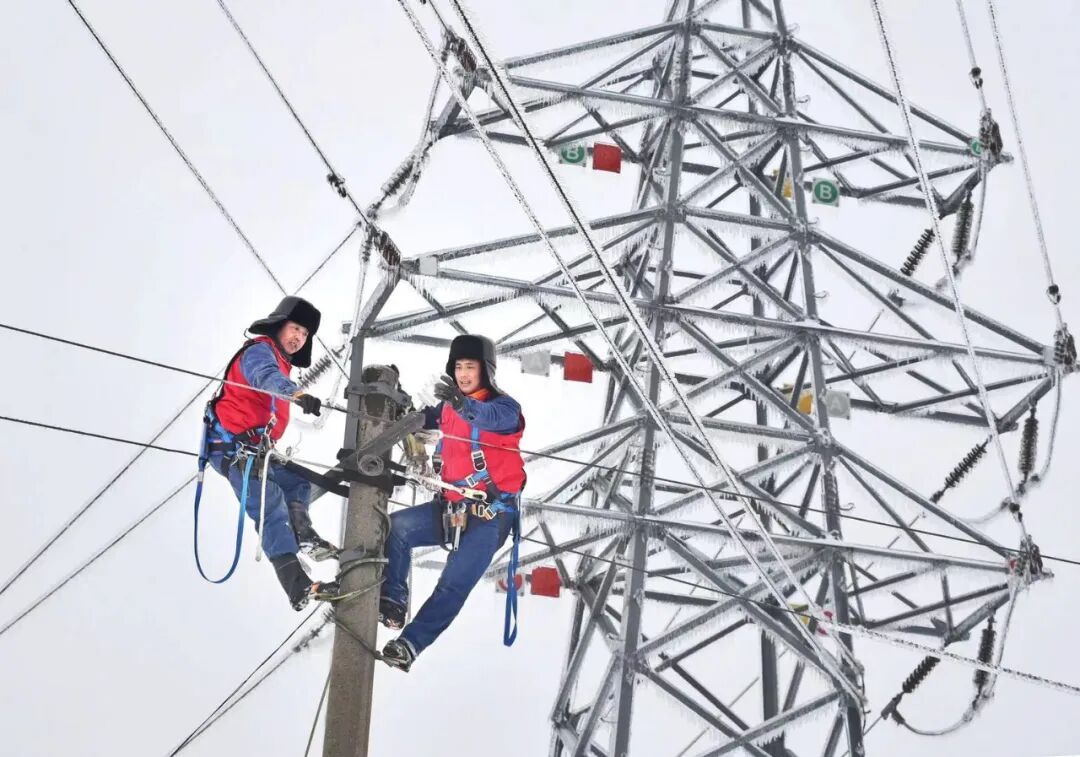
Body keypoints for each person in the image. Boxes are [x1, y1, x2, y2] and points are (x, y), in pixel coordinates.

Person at [379, 335, 525, 671]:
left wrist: (461, 404)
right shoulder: (447, 409)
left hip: (489, 516)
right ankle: (393, 601)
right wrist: (395, 410)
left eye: (470, 367)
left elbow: (487, 417)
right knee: (397, 528)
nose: (463, 374)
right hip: (451, 508)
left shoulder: (505, 409)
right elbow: (421, 420)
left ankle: (409, 645)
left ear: (485, 371)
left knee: (453, 583)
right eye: (458, 367)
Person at [202, 296, 340, 610]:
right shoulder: (259, 351)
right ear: (279, 326)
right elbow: (266, 378)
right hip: (234, 451)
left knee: (297, 482)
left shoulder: (281, 363)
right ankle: (298, 587)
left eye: (304, 334)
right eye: (295, 329)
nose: (299, 338)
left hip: (258, 451)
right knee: (271, 506)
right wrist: (297, 394)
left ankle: (303, 533)